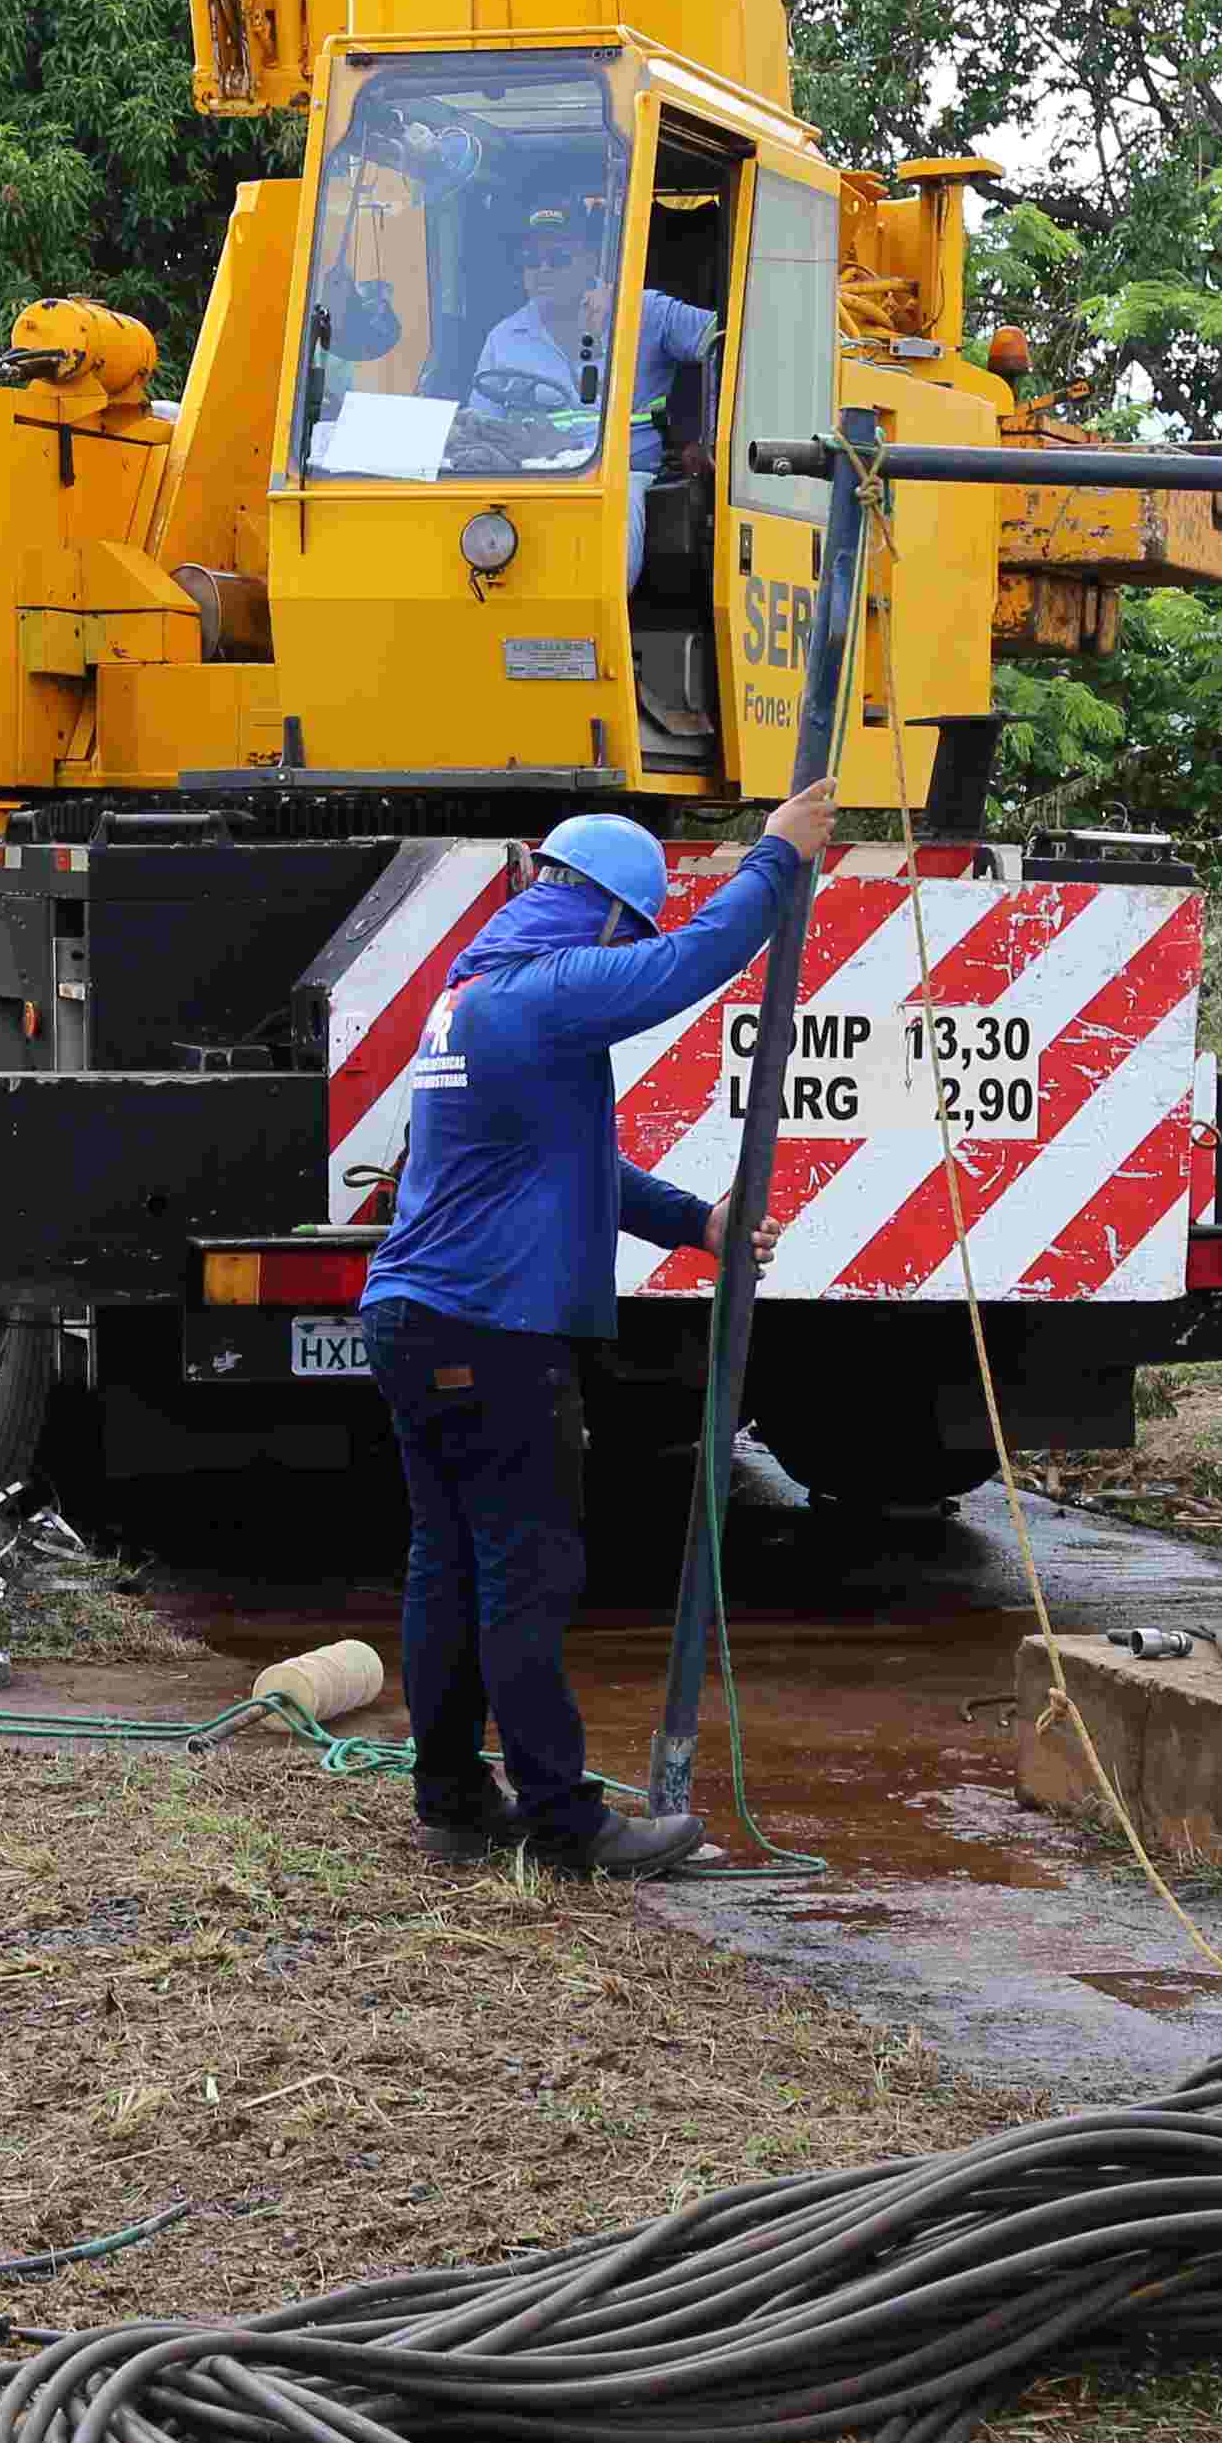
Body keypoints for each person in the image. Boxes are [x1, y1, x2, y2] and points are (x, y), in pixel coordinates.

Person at [364, 779, 842, 1876]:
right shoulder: (541, 988)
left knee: (451, 1567)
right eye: (633, 930)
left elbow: (570, 1163)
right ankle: (566, 1823)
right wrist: (773, 857)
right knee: (524, 1574)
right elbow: (683, 968)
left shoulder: (475, 991)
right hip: (491, 1333)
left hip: (420, 1322)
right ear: (613, 916)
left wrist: (697, 1223)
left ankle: (451, 1801)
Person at [470, 203, 720, 586]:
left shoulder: (642, 310)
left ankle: (600, 621)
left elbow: (731, 341)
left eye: (558, 259)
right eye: (531, 261)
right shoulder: (504, 337)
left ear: (590, 260)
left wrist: (710, 437)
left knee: (616, 509)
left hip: (620, 470)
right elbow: (482, 423)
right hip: (529, 475)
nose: (543, 271)